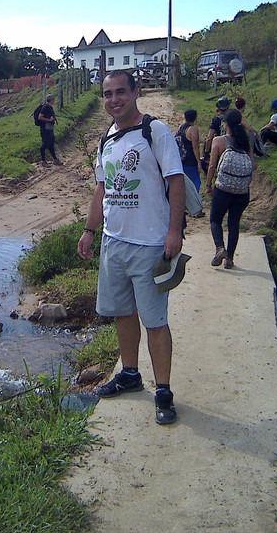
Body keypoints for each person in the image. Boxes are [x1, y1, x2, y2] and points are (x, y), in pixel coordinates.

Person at [77, 71, 186, 425]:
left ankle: (164, 391)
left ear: (135, 93)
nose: (113, 99)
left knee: (155, 321)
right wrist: (90, 231)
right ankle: (129, 374)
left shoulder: (155, 132)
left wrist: (174, 231)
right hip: (114, 243)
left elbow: (175, 181)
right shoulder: (106, 138)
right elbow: (101, 189)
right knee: (123, 314)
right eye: (107, 94)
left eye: (120, 92)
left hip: (150, 245)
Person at [206, 109, 254, 269]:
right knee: (234, 223)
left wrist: (208, 185)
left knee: (215, 219)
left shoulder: (219, 141)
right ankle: (230, 259)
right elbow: (252, 165)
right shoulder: (245, 141)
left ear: (225, 124)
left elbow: (212, 165)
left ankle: (220, 248)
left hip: (223, 190)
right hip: (241, 192)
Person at [200, 97, 231, 173]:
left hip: (219, 142)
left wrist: (206, 153)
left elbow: (209, 137)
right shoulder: (231, 117)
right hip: (231, 143)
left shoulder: (216, 119)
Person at [177, 108, 202, 193]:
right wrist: (198, 161)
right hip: (191, 161)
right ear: (195, 118)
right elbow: (195, 147)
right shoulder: (193, 129)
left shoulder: (181, 127)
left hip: (182, 160)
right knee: (195, 183)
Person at [34, 94, 59, 163]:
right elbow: (40, 117)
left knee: (51, 143)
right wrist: (49, 120)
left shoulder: (49, 107)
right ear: (52, 100)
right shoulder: (45, 107)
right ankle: (43, 160)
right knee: (44, 143)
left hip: (49, 128)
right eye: (54, 99)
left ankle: (55, 159)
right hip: (45, 128)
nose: (54, 101)